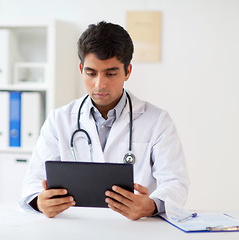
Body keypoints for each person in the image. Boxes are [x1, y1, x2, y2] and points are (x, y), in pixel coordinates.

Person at [20, 21, 189, 220]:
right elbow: (34, 180)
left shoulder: (158, 121)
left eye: (110, 73)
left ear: (127, 72)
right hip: (76, 225)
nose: (99, 84)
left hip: (134, 229)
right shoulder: (59, 120)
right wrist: (40, 202)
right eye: (91, 73)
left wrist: (151, 206)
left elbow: (176, 182)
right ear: (81, 68)